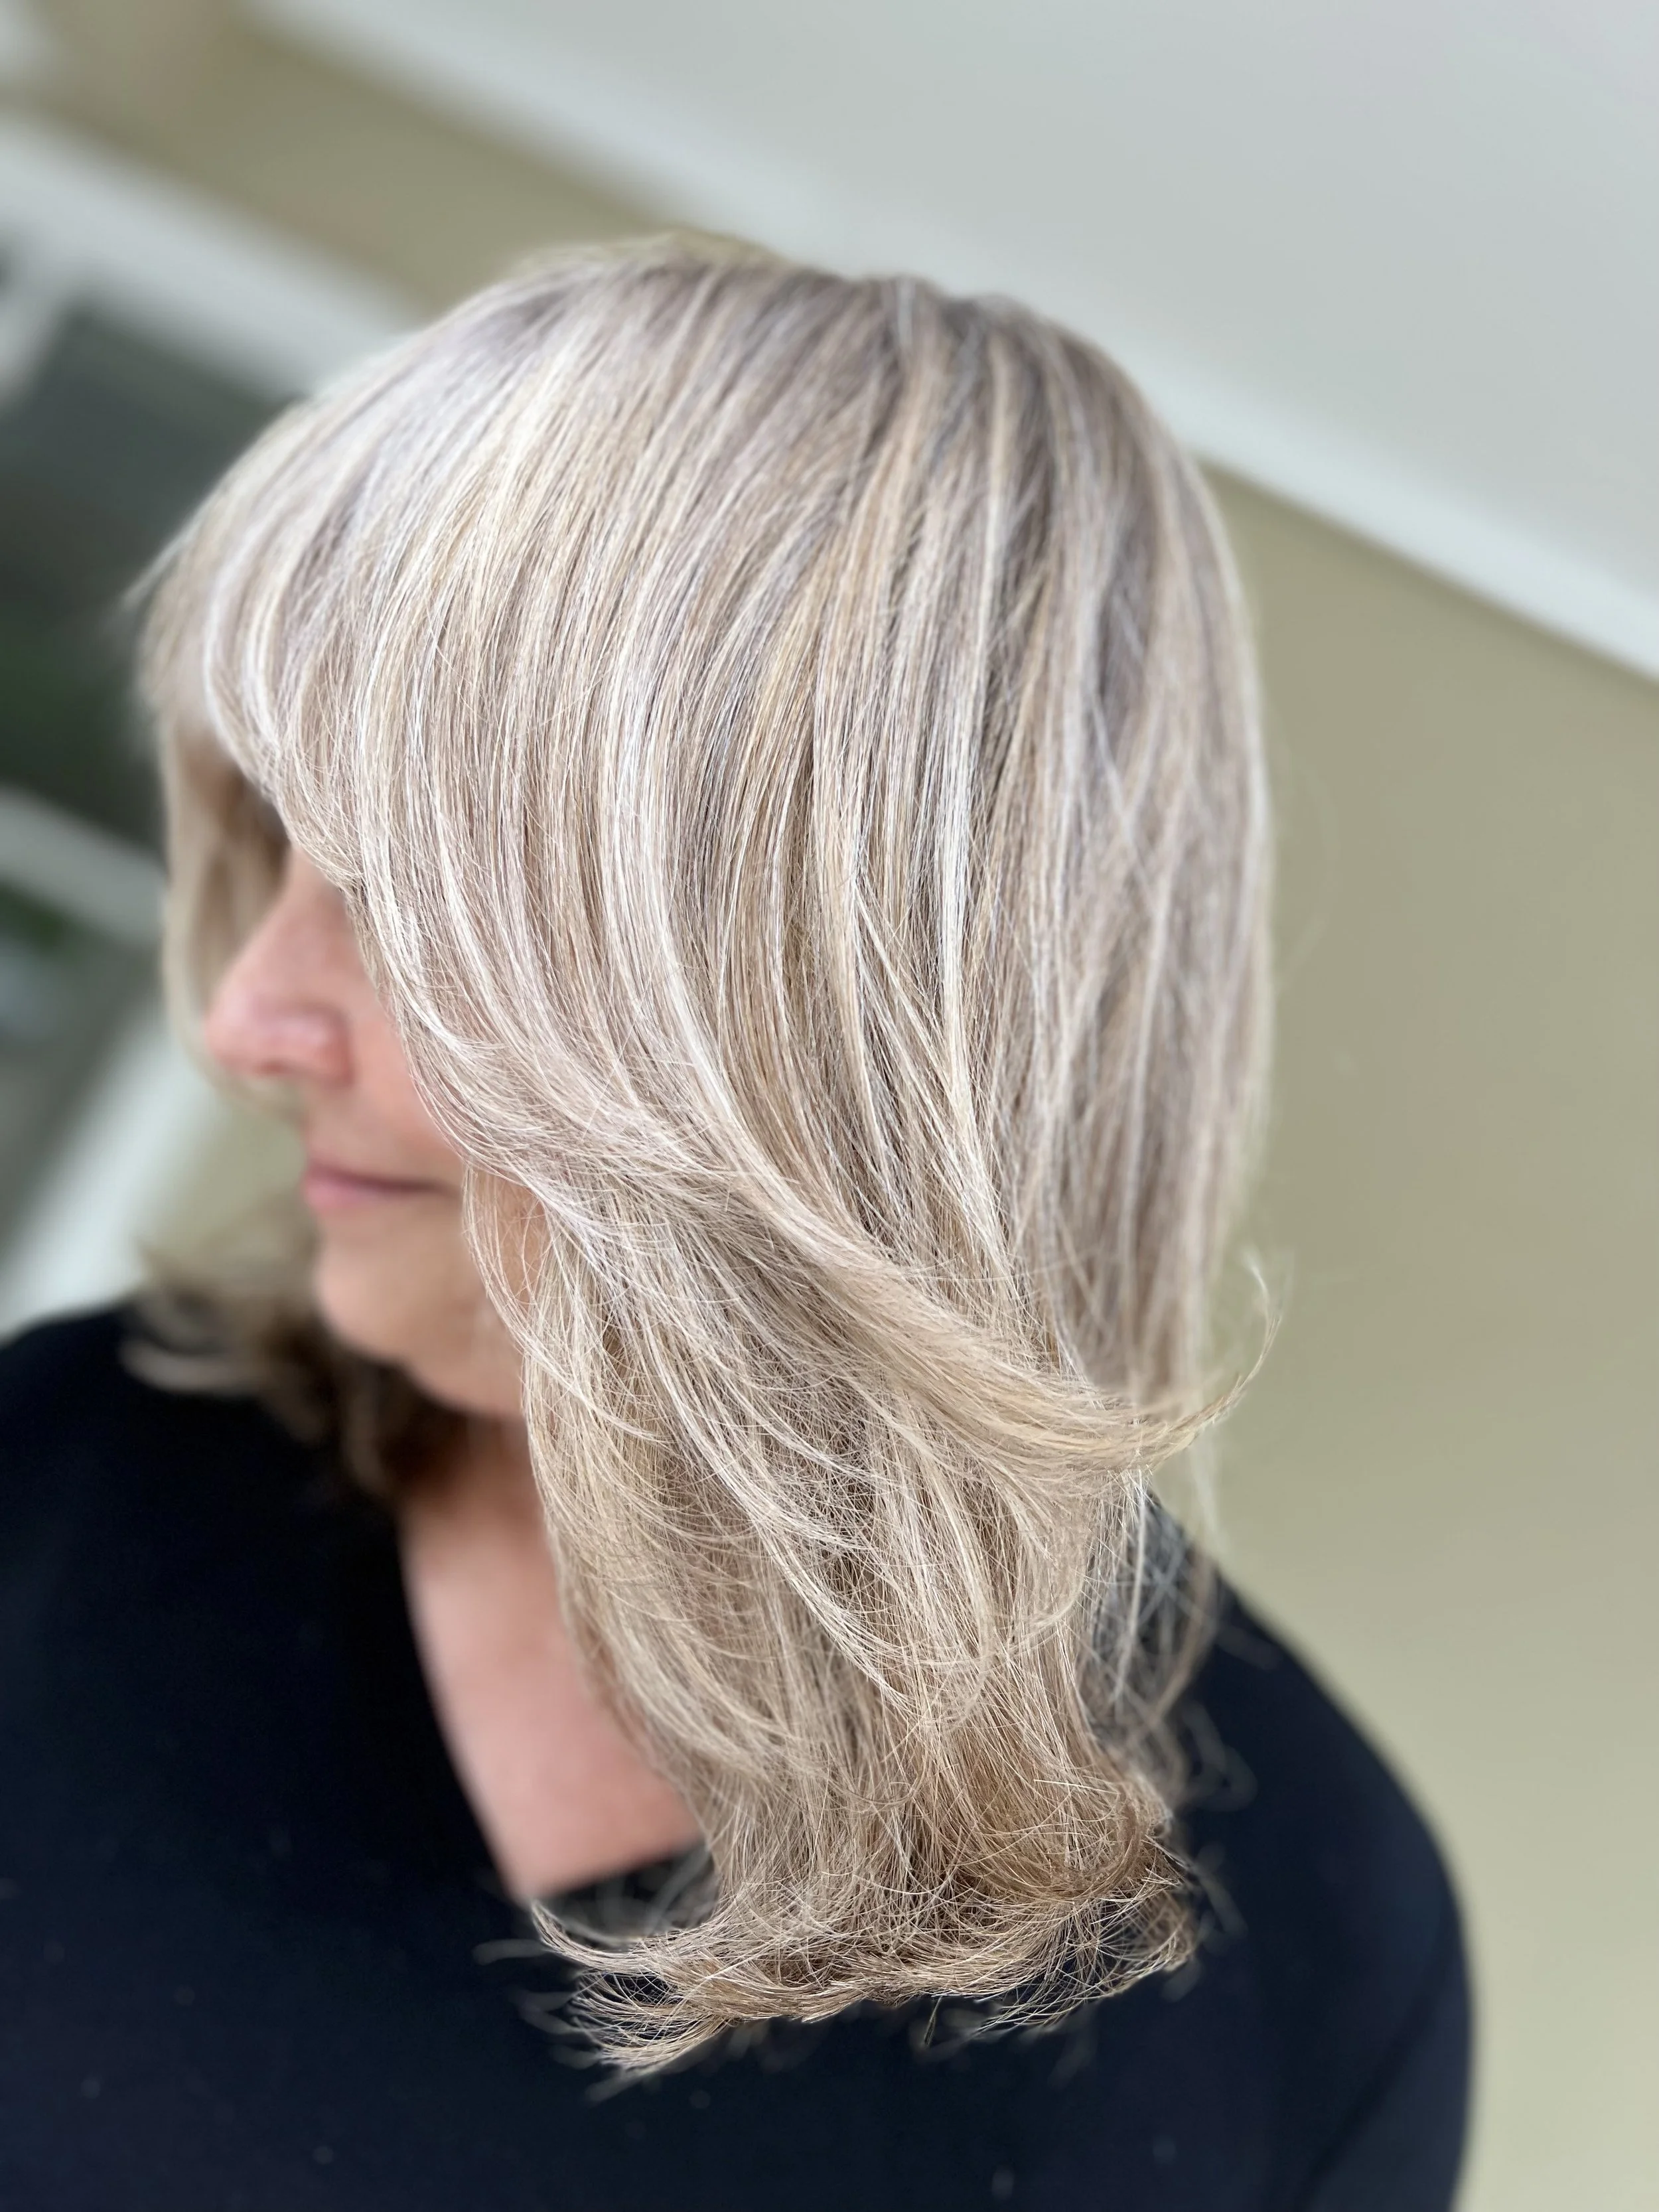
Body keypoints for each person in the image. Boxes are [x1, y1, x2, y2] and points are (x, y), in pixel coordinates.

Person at [0, 240, 1469, 2209]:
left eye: (401, 901)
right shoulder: (50, 1490)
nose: (243, 1017)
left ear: (827, 1012)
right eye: (275, 849)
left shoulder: (1307, 1953)